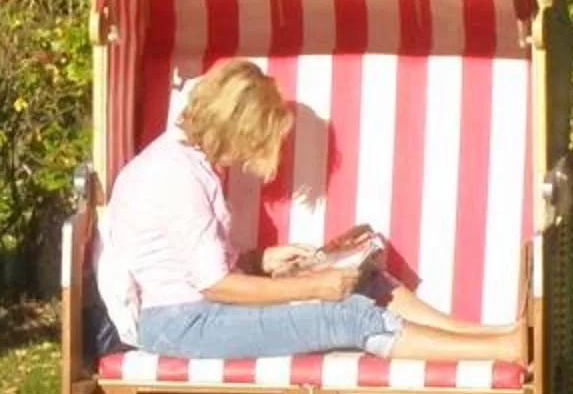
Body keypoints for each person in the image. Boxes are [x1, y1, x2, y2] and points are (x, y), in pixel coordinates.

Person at [97, 55, 529, 366]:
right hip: (183, 324)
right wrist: (313, 288)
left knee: (369, 281)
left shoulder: (187, 166)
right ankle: (504, 350)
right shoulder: (177, 175)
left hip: (198, 310)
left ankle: (493, 334)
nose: (253, 156)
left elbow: (197, 264)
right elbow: (213, 285)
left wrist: (263, 260)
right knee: (343, 314)